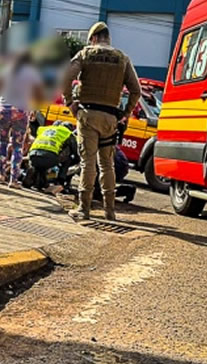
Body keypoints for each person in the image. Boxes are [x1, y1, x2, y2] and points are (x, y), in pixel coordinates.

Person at [62, 21, 140, 221]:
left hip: (88, 116)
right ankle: (109, 211)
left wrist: (71, 103)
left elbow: (65, 78)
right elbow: (136, 90)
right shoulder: (122, 58)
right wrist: (125, 113)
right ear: (108, 38)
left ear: (94, 38)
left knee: (88, 162)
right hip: (110, 119)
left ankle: (84, 208)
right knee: (107, 165)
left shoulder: (85, 54)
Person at [0, 52, 43, 189]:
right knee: (17, 147)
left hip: (3, 110)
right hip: (21, 111)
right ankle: (14, 180)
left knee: (2, 142)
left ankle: (1, 174)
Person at [26, 121, 79, 195]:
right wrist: (76, 161)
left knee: (42, 166)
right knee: (68, 159)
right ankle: (60, 181)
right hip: (49, 157)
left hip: (33, 155)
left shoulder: (44, 129)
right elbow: (75, 151)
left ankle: (36, 180)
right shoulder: (67, 133)